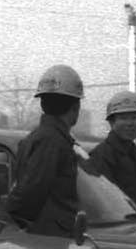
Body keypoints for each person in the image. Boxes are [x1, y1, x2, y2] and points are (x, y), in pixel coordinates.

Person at [5, 64, 84, 236]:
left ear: (43, 103)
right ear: (75, 107)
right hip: (51, 239)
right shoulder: (52, 142)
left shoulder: (40, 137)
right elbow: (31, 191)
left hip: (46, 237)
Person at [84, 89, 136, 206]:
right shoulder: (101, 155)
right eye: (123, 118)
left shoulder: (134, 153)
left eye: (134, 118)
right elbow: (104, 200)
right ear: (112, 123)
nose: (130, 123)